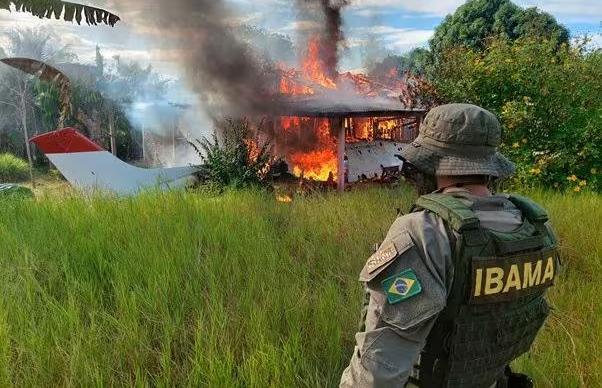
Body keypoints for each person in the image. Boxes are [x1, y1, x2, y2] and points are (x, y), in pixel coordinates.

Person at [340, 104, 560, 388]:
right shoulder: (536, 227)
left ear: (431, 164)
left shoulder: (424, 231)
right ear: (489, 167)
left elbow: (380, 368)